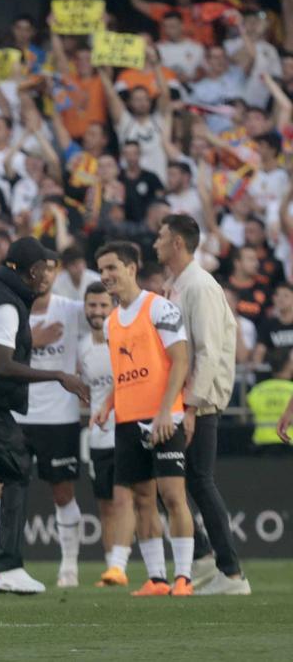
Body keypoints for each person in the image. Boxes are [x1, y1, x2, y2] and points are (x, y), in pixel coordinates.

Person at [0, 237, 89, 595]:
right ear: (33, 270)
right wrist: (59, 376)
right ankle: (7, 565)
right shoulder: (8, 304)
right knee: (17, 468)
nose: (46, 276)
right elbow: (3, 364)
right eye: (44, 268)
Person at [93, 240, 196, 598]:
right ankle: (156, 578)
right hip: (127, 419)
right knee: (141, 500)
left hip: (163, 416)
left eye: (112, 268)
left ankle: (184, 576)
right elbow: (123, 370)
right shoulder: (110, 323)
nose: (106, 275)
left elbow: (180, 361)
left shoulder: (159, 308)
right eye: (102, 269)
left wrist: (167, 411)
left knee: (172, 495)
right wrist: (108, 403)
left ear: (131, 268)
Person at [156, 215, 250, 596]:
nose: (155, 243)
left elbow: (209, 353)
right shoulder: (178, 285)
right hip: (185, 397)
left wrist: (192, 407)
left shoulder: (200, 286)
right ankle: (208, 560)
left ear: (177, 242)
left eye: (161, 236)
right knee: (178, 482)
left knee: (196, 480)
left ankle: (229, 572)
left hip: (199, 401)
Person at [10, 258, 87, 588]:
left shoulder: (71, 309)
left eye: (50, 269)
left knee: (62, 492)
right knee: (6, 488)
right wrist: (31, 340)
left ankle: (69, 564)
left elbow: (107, 316)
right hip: (16, 413)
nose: (42, 276)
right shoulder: (10, 310)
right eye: (37, 268)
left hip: (59, 417)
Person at [77, 282, 135, 588]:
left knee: (140, 500)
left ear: (112, 306)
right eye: (92, 306)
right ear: (85, 308)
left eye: (102, 305)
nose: (97, 311)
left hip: (127, 429)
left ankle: (181, 560)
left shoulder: (124, 337)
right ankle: (113, 569)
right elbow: (85, 391)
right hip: (99, 437)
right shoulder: (83, 346)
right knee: (105, 505)